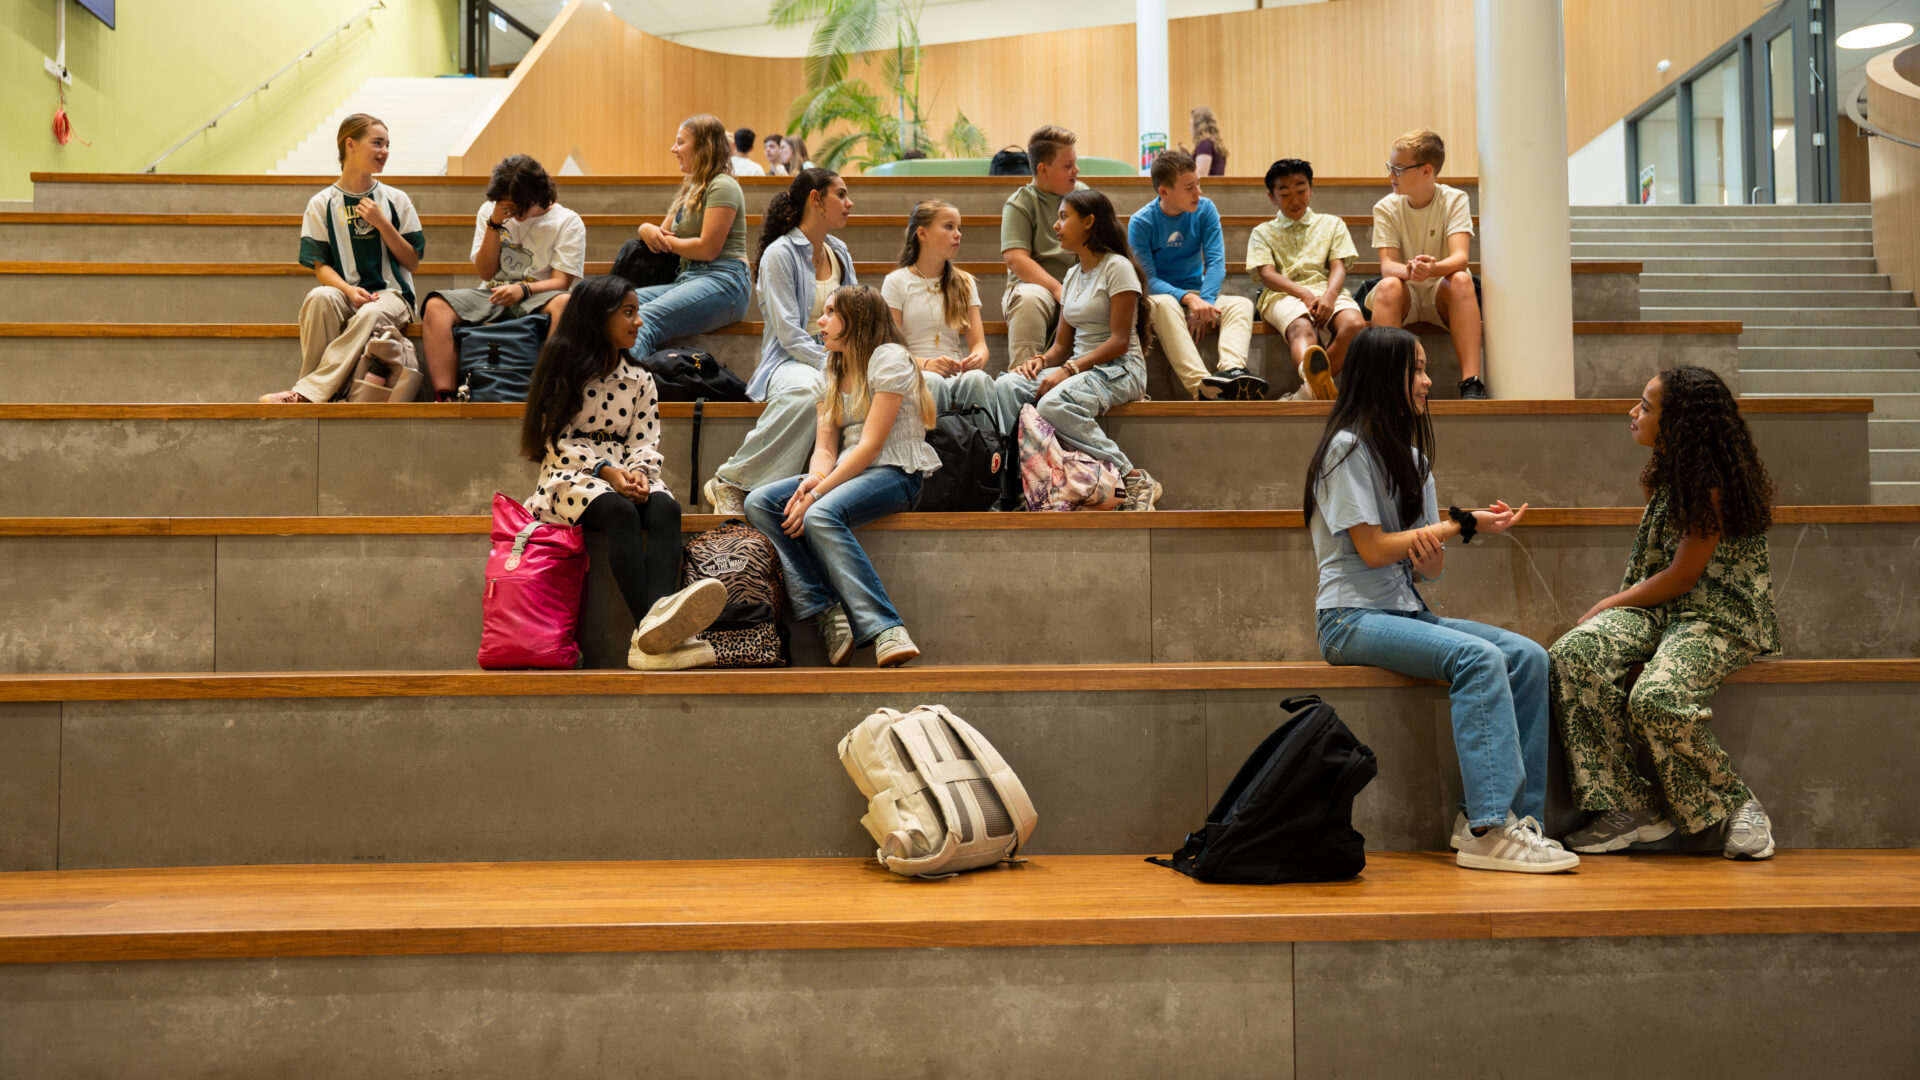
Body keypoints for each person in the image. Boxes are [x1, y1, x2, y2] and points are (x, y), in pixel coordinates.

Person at [1307, 326, 1576, 873]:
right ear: (1386, 377)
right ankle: (1488, 827)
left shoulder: (1414, 460)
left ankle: (1514, 822)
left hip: (1406, 610)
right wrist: (1464, 524)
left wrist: (1434, 557)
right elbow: (1375, 548)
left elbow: (1424, 568)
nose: (1429, 381)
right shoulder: (1345, 448)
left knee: (1529, 657)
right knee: (1478, 658)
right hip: (1348, 618)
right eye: (1418, 370)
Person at [1549, 366, 1782, 860]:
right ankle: (1630, 807)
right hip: (1661, 610)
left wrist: (1610, 601)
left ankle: (1740, 804)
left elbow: (1682, 577)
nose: (1633, 413)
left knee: (1655, 697)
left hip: (1715, 616)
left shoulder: (1713, 483)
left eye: (1646, 406)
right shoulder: (1669, 471)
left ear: (1678, 426)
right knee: (1575, 651)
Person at [518, 275, 728, 671]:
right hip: (570, 472)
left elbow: (645, 440)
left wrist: (640, 473)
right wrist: (607, 472)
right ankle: (650, 632)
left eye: (638, 312)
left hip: (626, 471)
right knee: (619, 512)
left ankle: (654, 632)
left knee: (665, 509)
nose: (639, 322)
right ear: (598, 317)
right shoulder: (561, 367)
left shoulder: (641, 377)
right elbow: (553, 440)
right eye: (628, 313)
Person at [745, 285, 936, 668]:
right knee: (760, 502)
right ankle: (825, 610)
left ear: (859, 320)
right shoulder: (830, 367)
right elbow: (826, 447)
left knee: (819, 515)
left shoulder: (889, 358)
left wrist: (816, 497)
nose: (821, 319)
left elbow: (869, 446)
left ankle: (886, 629)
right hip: (848, 473)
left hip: (897, 472)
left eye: (831, 312)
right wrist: (814, 479)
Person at [990, 189, 1162, 511]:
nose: (1056, 225)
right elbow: (1061, 347)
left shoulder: (1117, 267)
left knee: (1054, 404)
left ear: (1089, 222)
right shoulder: (1071, 275)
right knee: (1006, 385)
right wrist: (1040, 361)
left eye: (1063, 217)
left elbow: (1119, 341)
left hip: (1120, 367)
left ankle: (1134, 477)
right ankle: (1018, 483)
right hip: (1081, 366)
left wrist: (1068, 370)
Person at [702, 168, 858, 515]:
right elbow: (789, 335)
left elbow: (859, 315)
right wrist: (832, 365)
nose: (850, 203)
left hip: (838, 358)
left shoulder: (840, 252)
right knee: (811, 392)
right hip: (789, 361)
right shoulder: (780, 254)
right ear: (816, 200)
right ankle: (731, 480)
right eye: (841, 194)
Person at [262, 114, 423, 404]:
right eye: (377, 143)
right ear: (350, 144)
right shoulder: (321, 203)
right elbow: (321, 267)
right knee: (318, 298)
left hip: (392, 296)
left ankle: (306, 393)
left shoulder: (397, 199)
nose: (385, 151)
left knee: (370, 313)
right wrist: (349, 291)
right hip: (346, 293)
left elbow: (412, 261)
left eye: (387, 144)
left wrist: (382, 223)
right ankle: (313, 391)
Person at [417, 154, 584, 401]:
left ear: (538, 196)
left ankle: (546, 391)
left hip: (538, 296)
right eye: (508, 206)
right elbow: (485, 272)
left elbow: (562, 282)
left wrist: (524, 290)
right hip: (490, 293)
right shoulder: (491, 211)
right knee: (435, 305)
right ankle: (447, 397)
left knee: (566, 303)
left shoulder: (567, 221)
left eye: (519, 207)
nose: (513, 213)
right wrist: (494, 223)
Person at [1129, 148, 1261, 401]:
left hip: (1199, 295)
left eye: (1198, 184)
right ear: (1164, 192)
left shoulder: (1205, 209)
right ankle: (1202, 387)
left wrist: (1205, 304)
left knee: (1241, 304)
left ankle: (1231, 372)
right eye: (1189, 187)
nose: (1198, 193)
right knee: (1166, 303)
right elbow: (1148, 280)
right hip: (1161, 298)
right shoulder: (1141, 222)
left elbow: (1216, 263)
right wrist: (1189, 300)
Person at [1368, 129, 1486, 400]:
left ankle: (1471, 382)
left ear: (1426, 171)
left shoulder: (1454, 199)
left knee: (1461, 279)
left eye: (1397, 169)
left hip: (1441, 293)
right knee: (1388, 286)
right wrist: (1411, 271)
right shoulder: (1385, 207)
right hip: (1406, 293)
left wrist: (1432, 270)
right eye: (1390, 168)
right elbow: (1388, 266)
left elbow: (1460, 259)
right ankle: (1388, 387)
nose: (1390, 176)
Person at [625, 115, 753, 361]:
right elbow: (661, 236)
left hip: (725, 281)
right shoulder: (692, 187)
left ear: (704, 147)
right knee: (617, 307)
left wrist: (661, 238)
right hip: (689, 277)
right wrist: (645, 229)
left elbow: (707, 249)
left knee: (644, 318)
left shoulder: (723, 185)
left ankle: (630, 391)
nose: (674, 149)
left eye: (680, 142)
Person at [1248, 157, 1368, 402]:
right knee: (1301, 328)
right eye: (1285, 194)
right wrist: (1303, 294)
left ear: (1311, 189)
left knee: (1355, 325)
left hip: (1328, 290)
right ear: (1271, 197)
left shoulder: (1332, 224)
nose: (1295, 200)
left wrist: (1330, 296)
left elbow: (1338, 266)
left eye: (1301, 191)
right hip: (1283, 295)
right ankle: (1314, 383)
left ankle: (1308, 391)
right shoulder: (1262, 232)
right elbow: (1268, 276)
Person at [881, 200, 995, 412]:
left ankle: (988, 443)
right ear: (922, 234)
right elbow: (891, 349)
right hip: (913, 370)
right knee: (932, 382)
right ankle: (932, 444)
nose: (958, 234)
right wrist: (925, 364)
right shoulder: (897, 282)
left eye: (959, 228)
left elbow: (979, 344)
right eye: (949, 226)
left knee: (978, 379)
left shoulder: (964, 282)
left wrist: (978, 358)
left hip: (954, 372)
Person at [999, 125, 1089, 369]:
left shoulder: (1083, 196)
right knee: (1029, 299)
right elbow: (1016, 259)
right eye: (1067, 166)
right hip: (1035, 287)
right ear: (1043, 169)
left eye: (1075, 163)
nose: (1076, 170)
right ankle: (1022, 386)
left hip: (1081, 284)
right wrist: (1058, 289)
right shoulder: (1021, 202)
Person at [1187, 106, 1228, 176]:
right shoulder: (1213, 144)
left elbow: (1201, 176)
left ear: (1198, 126)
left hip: (1208, 187)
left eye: (1191, 125)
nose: (1190, 128)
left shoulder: (1205, 144)